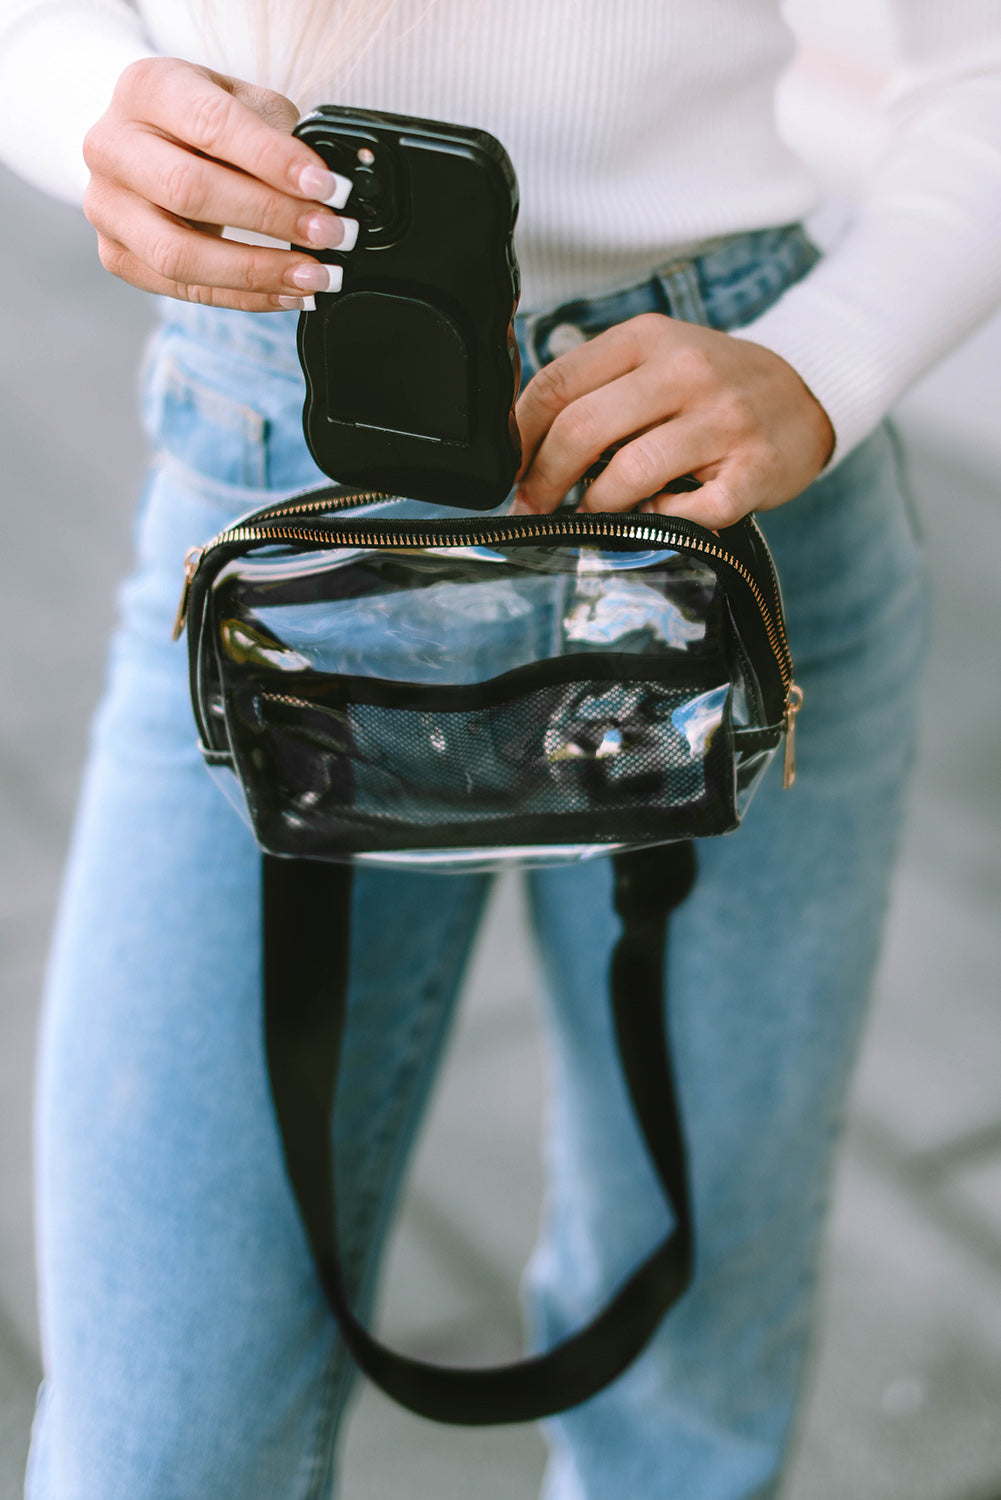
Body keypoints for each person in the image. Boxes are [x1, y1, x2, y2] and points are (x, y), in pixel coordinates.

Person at [1, 2, 999, 1495]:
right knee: (159, 1449)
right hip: (289, 455)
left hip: (710, 455)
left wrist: (825, 359)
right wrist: (76, 107)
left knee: (685, 1396)